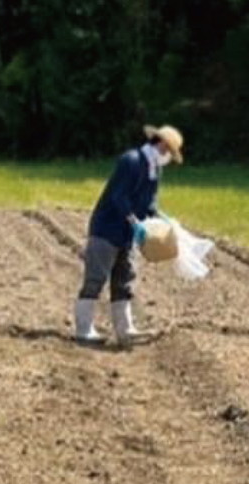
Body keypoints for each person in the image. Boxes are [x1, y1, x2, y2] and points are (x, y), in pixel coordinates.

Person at [73, 124, 184, 346]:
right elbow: (119, 197)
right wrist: (135, 222)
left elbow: (150, 202)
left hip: (128, 234)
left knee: (124, 280)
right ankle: (84, 329)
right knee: (96, 278)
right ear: (161, 145)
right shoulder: (131, 161)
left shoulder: (155, 170)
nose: (168, 158)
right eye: (169, 153)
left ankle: (125, 329)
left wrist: (163, 219)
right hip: (107, 229)